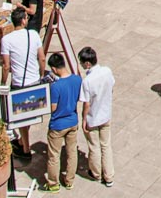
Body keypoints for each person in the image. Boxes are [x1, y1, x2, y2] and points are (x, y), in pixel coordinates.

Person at [0, 7, 46, 158]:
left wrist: (2, 82)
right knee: (28, 115)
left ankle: (25, 148)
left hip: (19, 82)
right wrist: (41, 74)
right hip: (34, 80)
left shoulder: (6, 40)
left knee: (21, 117)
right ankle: (23, 144)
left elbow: (6, 65)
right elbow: (42, 58)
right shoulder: (33, 35)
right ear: (24, 20)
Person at [78, 46, 115, 187]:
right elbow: (112, 86)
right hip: (106, 115)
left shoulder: (87, 81)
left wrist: (83, 119)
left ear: (87, 63)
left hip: (93, 118)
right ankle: (109, 175)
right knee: (106, 145)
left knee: (94, 147)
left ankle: (97, 174)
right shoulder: (107, 71)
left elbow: (86, 104)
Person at [44, 52, 81, 193]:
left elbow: (53, 108)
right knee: (72, 152)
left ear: (53, 69)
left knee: (54, 155)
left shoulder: (56, 86)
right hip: (72, 121)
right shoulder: (77, 80)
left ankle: (53, 183)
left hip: (58, 125)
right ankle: (70, 181)